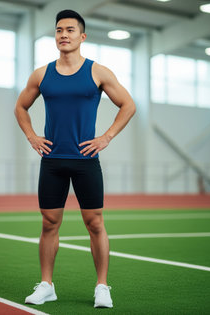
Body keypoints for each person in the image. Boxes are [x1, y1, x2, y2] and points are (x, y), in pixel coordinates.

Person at [14, 9, 136, 309]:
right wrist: (31, 136)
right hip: (53, 160)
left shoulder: (98, 72)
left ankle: (102, 287)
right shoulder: (42, 74)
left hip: (85, 160)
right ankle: (46, 285)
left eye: (69, 30)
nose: (63, 35)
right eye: (58, 30)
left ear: (82, 36)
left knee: (94, 223)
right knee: (49, 223)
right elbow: (20, 107)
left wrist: (106, 137)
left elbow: (128, 105)